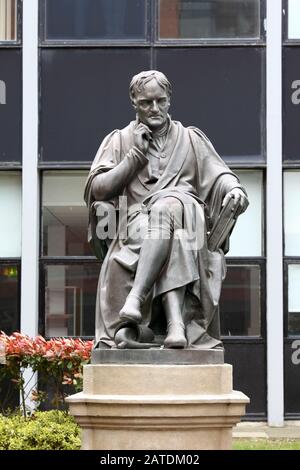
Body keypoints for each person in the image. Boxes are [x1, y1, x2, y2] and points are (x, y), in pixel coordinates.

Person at [84, 70, 248, 350]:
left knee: (172, 206)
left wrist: (235, 189)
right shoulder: (120, 140)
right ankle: (175, 326)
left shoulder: (191, 138)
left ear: (170, 99)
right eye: (147, 102)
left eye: (161, 100)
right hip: (137, 225)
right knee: (177, 234)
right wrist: (134, 157)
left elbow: (219, 174)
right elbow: (98, 188)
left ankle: (136, 298)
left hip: (188, 215)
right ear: (134, 102)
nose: (155, 108)